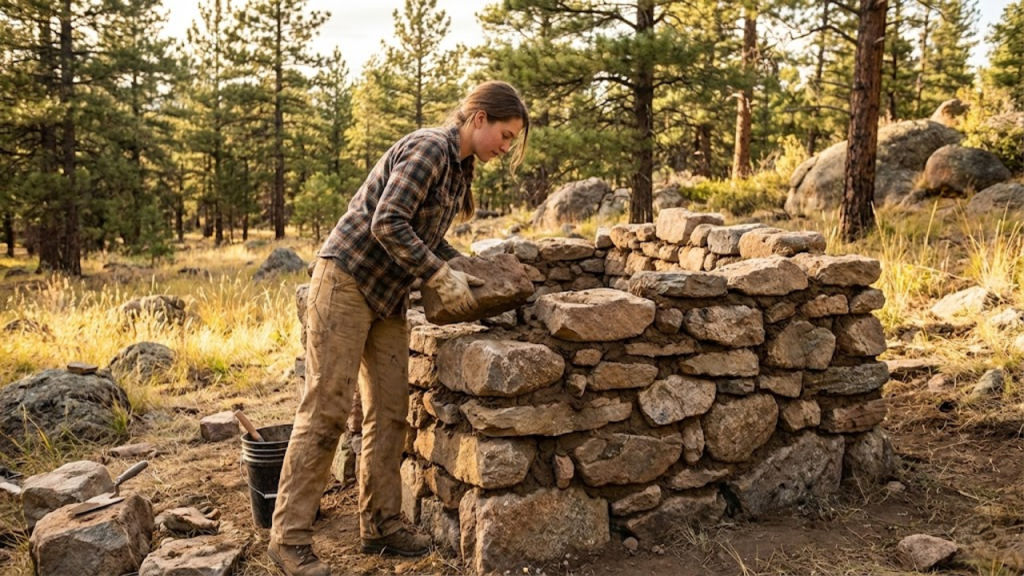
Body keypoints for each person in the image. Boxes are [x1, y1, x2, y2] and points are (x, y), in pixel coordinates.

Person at [267, 80, 530, 576]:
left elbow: (427, 236)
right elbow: (388, 222)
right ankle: (288, 539)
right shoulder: (431, 148)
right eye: (506, 134)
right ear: (478, 119)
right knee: (326, 410)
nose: (506, 146)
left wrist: (466, 270)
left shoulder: (461, 170)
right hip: (345, 280)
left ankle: (381, 524)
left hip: (387, 297)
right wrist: (436, 273)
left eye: (512, 139)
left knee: (389, 412)